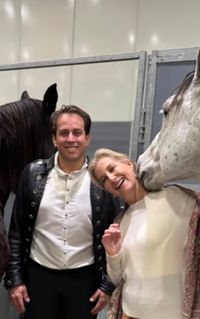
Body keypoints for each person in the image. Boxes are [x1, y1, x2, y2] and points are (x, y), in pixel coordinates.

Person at [4, 106, 123, 319]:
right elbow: (17, 233)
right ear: (54, 139)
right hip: (38, 279)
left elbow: (117, 235)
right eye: (64, 133)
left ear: (87, 138)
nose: (71, 139)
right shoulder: (32, 175)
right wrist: (14, 279)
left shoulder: (102, 182)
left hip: (85, 282)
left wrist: (107, 284)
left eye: (77, 132)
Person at [88, 148, 200, 319]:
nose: (111, 178)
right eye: (104, 179)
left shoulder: (176, 198)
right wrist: (113, 253)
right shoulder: (121, 223)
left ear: (129, 164)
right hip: (129, 313)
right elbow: (116, 277)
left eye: (112, 169)